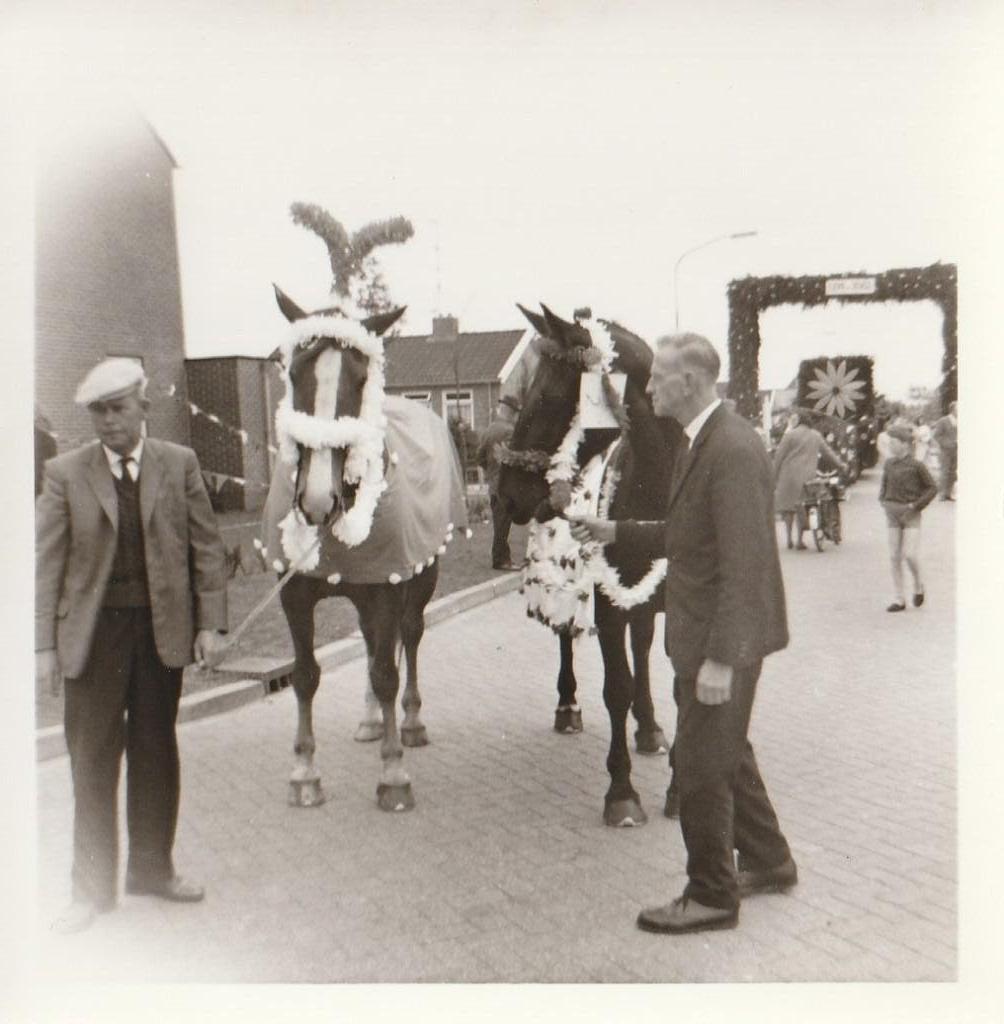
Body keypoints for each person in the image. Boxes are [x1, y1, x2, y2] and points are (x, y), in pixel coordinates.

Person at [569, 332, 795, 935]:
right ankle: (770, 860)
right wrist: (618, 531)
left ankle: (711, 894)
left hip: (723, 642)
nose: (646, 389)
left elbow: (745, 566)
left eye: (656, 377)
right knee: (727, 749)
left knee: (698, 762)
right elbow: (690, 532)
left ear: (689, 382)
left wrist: (722, 660)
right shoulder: (706, 442)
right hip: (710, 637)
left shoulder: (734, 450)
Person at [35, 359, 229, 934]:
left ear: (144, 407)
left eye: (119, 408)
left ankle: (152, 869)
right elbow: (44, 565)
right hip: (93, 640)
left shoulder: (179, 464)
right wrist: (41, 646)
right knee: (91, 758)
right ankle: (88, 892)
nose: (108, 421)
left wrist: (209, 625)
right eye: (98, 411)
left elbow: (206, 549)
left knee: (155, 749)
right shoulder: (65, 473)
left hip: (158, 632)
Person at [879, 421, 938, 612]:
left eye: (893, 442)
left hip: (911, 513)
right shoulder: (889, 464)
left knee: (910, 555)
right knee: (894, 556)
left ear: (905, 443)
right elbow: (884, 484)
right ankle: (899, 598)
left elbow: (932, 488)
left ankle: (918, 585)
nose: (890, 445)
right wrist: (883, 500)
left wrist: (916, 505)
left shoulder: (917, 465)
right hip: (892, 514)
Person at [771, 409, 846, 550]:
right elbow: (828, 453)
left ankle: (788, 539)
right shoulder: (815, 435)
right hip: (807, 477)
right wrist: (840, 465)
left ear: (798, 421)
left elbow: (779, 457)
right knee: (803, 506)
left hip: (788, 476)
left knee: (788, 509)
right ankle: (799, 541)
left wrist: (773, 477)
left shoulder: (789, 435)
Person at [477, 396, 520, 570]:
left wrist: (490, 473)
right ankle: (501, 560)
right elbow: (515, 459)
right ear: (511, 412)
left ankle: (502, 558)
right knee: (503, 524)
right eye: (515, 413)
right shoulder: (510, 431)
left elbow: (479, 457)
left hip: (494, 484)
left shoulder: (488, 430)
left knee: (499, 522)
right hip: (507, 485)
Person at [931, 401, 958, 500]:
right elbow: (937, 435)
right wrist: (946, 444)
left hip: (957, 450)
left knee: (953, 472)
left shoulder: (960, 420)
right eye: (958, 409)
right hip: (945, 451)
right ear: (952, 410)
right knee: (944, 471)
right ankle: (942, 494)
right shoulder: (943, 420)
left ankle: (949, 494)